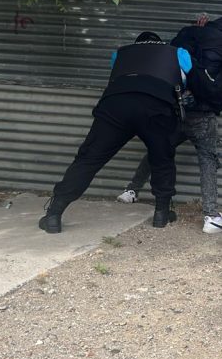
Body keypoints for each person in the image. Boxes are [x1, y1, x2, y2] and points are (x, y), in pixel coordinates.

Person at [39, 32, 191, 233]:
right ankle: (162, 214)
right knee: (162, 158)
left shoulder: (121, 53)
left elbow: (120, 75)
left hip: (115, 106)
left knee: (89, 158)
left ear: (137, 44)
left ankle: (54, 214)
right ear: (160, 43)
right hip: (155, 107)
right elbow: (186, 80)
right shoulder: (178, 53)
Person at [116, 15, 222, 234]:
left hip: (177, 109)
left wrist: (197, 31)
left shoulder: (188, 37)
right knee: (207, 160)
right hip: (202, 114)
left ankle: (131, 191)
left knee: (159, 149)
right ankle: (212, 216)